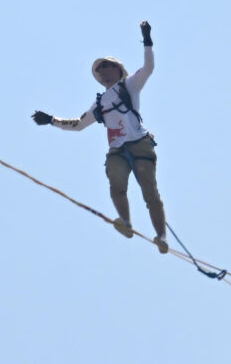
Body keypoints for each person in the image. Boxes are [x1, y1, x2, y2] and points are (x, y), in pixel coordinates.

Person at [31, 21, 168, 253]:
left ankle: (162, 237)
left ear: (118, 70)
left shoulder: (130, 85)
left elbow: (148, 68)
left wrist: (147, 40)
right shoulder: (99, 103)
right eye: (100, 68)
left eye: (107, 66)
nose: (103, 71)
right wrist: (52, 120)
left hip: (139, 144)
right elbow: (78, 124)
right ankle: (125, 223)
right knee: (116, 185)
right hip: (118, 151)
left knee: (150, 193)